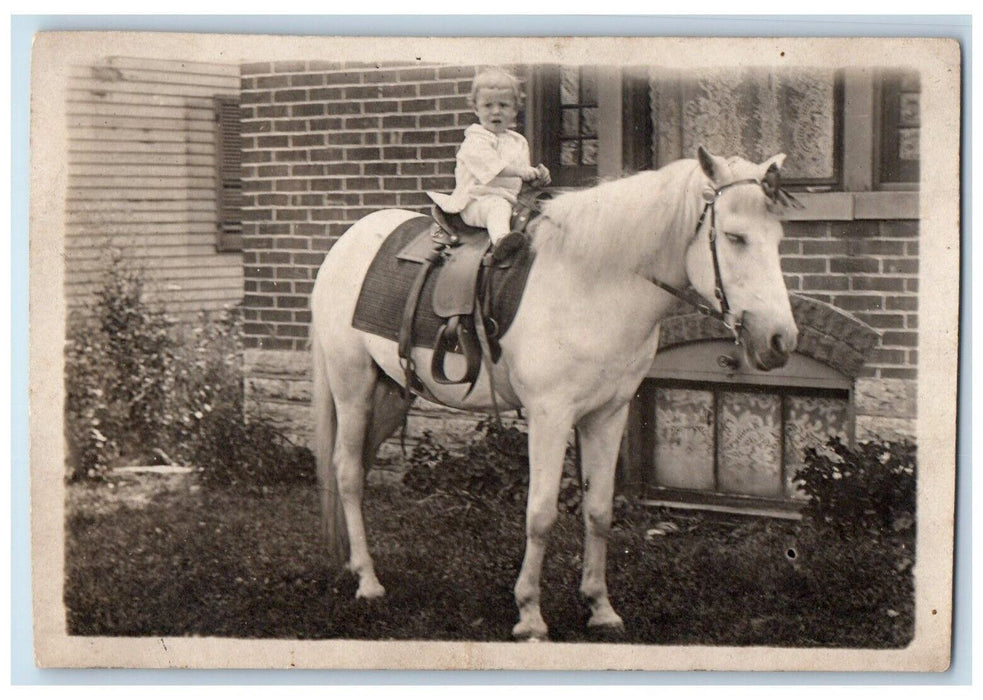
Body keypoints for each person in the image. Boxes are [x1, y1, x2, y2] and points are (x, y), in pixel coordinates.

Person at [428, 68, 550, 261]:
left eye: (503, 105)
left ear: (515, 110)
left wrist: (536, 178)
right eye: (488, 105)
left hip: (511, 201)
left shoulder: (518, 141)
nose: (496, 111)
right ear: (476, 109)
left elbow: (520, 179)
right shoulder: (476, 140)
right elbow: (495, 169)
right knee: (497, 208)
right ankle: (501, 241)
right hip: (475, 202)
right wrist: (522, 171)